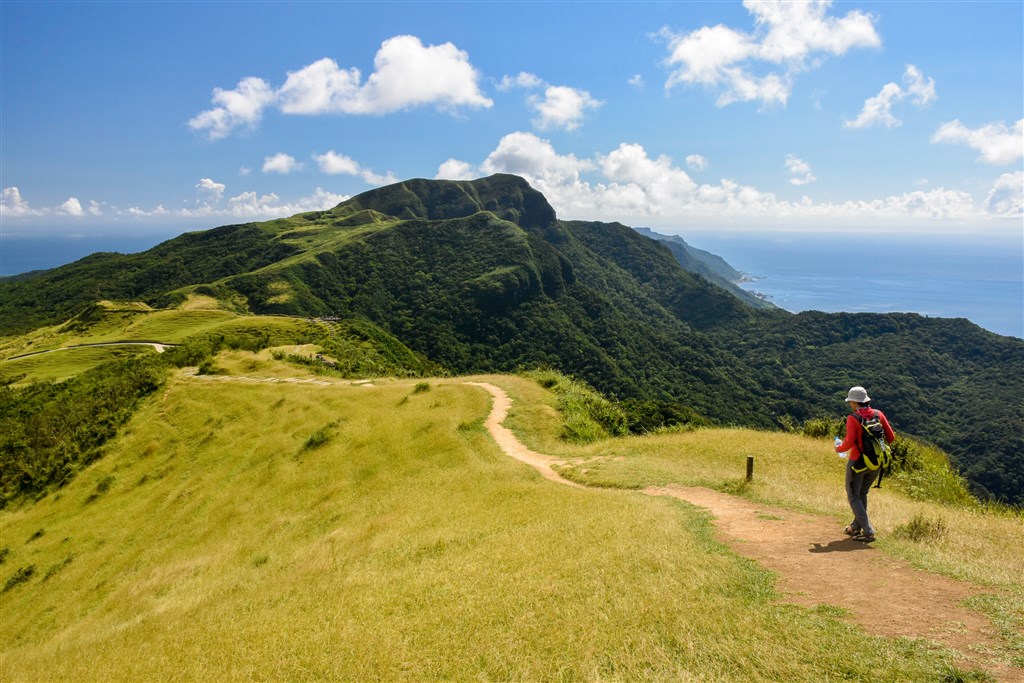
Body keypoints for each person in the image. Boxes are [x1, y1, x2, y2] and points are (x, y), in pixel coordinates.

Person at [835, 386, 895, 543]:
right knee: (862, 494)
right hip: (876, 463)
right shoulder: (878, 414)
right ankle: (856, 527)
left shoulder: (853, 418)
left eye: (851, 402)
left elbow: (848, 442)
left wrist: (838, 448)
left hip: (858, 463)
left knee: (853, 495)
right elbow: (891, 437)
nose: (850, 404)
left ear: (855, 403)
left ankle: (868, 531)